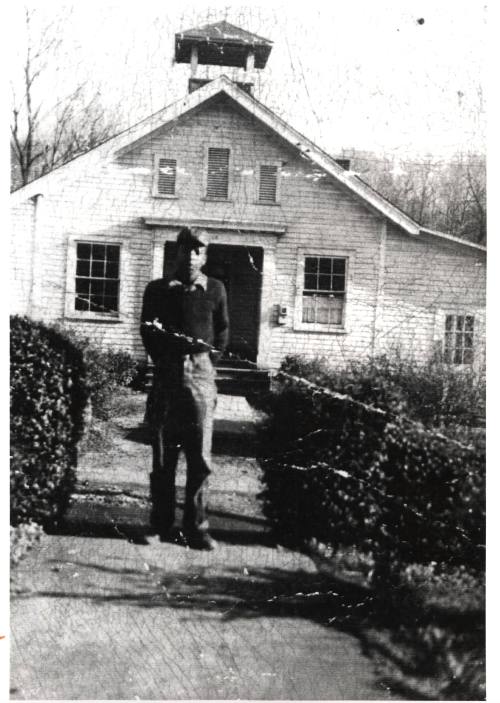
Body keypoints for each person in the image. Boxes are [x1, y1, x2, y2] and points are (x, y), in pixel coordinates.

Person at [140, 227, 229, 550]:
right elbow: (147, 330)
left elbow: (222, 332)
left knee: (200, 455)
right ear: (176, 252)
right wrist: (166, 360)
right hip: (167, 373)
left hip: (201, 374)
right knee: (163, 454)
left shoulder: (216, 289)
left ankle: (197, 528)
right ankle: (160, 525)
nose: (191, 256)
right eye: (185, 250)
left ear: (204, 256)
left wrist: (204, 363)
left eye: (197, 251)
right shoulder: (157, 289)